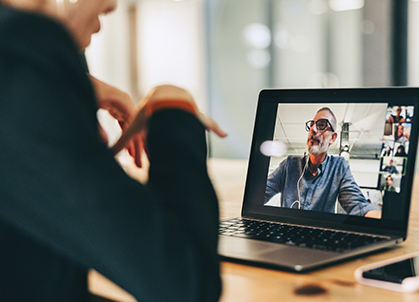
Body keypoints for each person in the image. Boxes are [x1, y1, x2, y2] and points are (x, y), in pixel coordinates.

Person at [0, 1, 227, 301]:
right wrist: (174, 107)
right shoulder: (21, 59)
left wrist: (66, 88)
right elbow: (186, 284)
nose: (112, 4)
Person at [264, 108, 381, 218]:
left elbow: (358, 205)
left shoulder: (338, 167)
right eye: (311, 125)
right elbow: (261, 192)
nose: (313, 130)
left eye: (321, 125)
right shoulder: (289, 165)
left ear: (332, 138)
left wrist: (382, 219)